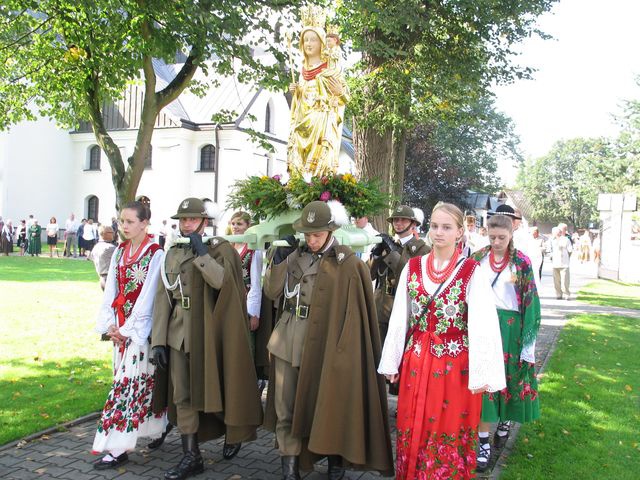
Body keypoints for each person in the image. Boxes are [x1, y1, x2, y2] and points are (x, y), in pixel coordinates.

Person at [263, 200, 394, 480]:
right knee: (285, 409)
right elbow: (272, 292)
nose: (311, 240)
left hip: (326, 344)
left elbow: (357, 311)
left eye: (317, 235)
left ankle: (335, 459)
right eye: (308, 234)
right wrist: (277, 260)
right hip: (287, 341)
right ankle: (290, 469)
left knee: (329, 404)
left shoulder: (346, 262)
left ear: (330, 231)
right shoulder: (293, 256)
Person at [378, 202, 505, 480]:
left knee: (446, 431)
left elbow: (484, 325)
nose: (438, 232)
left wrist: (484, 372)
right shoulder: (413, 267)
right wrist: (391, 360)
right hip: (417, 360)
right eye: (434, 226)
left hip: (455, 368)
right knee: (413, 426)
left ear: (460, 232)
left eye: (447, 227)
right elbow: (401, 317)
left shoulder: (472, 271)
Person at [151, 197, 262, 480]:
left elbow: (223, 283)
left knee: (220, 387)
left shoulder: (220, 249)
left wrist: (202, 254)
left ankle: (232, 433)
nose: (186, 224)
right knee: (183, 395)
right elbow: (164, 298)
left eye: (191, 220)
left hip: (211, 333)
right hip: (179, 334)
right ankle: (191, 457)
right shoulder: (172, 252)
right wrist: (159, 341)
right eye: (182, 220)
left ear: (204, 222)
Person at [91, 201, 167, 469]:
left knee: (128, 388)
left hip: (140, 332)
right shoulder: (120, 251)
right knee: (131, 385)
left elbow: (148, 297)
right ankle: (154, 428)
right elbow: (111, 288)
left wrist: (126, 330)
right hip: (121, 329)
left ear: (145, 222)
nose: (124, 227)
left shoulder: (156, 253)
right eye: (121, 221)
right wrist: (111, 324)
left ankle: (116, 446)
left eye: (130, 222)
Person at [471, 214, 541, 472]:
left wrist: (528, 343)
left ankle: (504, 420)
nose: (497, 242)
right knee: (485, 382)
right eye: (492, 237)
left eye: (502, 237)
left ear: (512, 234)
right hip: (483, 326)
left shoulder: (521, 262)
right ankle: (484, 442)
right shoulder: (477, 259)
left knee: (509, 378)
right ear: (486, 234)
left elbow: (530, 300)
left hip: (511, 328)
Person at [287, 18, 349, 176]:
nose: (308, 43)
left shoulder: (330, 69)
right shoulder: (302, 72)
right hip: (303, 119)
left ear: (321, 43)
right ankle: (299, 179)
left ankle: (318, 179)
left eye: (313, 40)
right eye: (305, 39)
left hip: (321, 120)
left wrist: (339, 92)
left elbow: (345, 95)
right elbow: (300, 99)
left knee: (320, 153)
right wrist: (297, 93)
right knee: (298, 151)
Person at [370, 205, 430, 349]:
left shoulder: (423, 250)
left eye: (403, 220)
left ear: (413, 224)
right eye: (395, 220)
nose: (398, 223)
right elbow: (369, 275)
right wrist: (376, 255)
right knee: (376, 354)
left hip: (402, 308)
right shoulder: (388, 244)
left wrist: (392, 252)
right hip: (380, 307)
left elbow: (410, 276)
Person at [229, 210, 270, 392]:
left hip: (245, 302)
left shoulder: (253, 250)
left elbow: (255, 282)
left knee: (247, 346)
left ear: (248, 226)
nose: (236, 227)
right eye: (234, 224)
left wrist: (253, 312)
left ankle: (249, 387)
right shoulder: (228, 246)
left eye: (240, 224)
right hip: (229, 302)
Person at [88, 225, 117, 291]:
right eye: (111, 232)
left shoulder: (96, 247)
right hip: (110, 279)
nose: (113, 234)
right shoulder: (110, 248)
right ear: (104, 234)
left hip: (102, 279)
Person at [551, 226, 572, 300]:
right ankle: (558, 294)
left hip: (564, 264)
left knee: (565, 281)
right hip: (555, 263)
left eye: (554, 233)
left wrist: (567, 258)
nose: (553, 234)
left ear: (559, 233)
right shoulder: (552, 240)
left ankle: (567, 294)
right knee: (556, 281)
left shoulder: (566, 240)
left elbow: (570, 251)